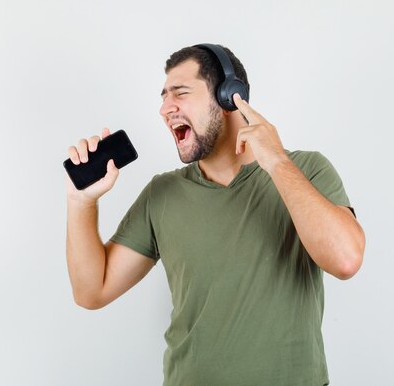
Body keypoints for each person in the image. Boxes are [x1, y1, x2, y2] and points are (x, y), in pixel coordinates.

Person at [64, 44, 365, 386]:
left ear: (229, 97)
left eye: (180, 93)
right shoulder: (162, 195)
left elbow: (345, 260)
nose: (165, 108)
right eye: (163, 97)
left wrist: (277, 161)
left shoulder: (307, 170)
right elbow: (91, 291)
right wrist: (81, 202)